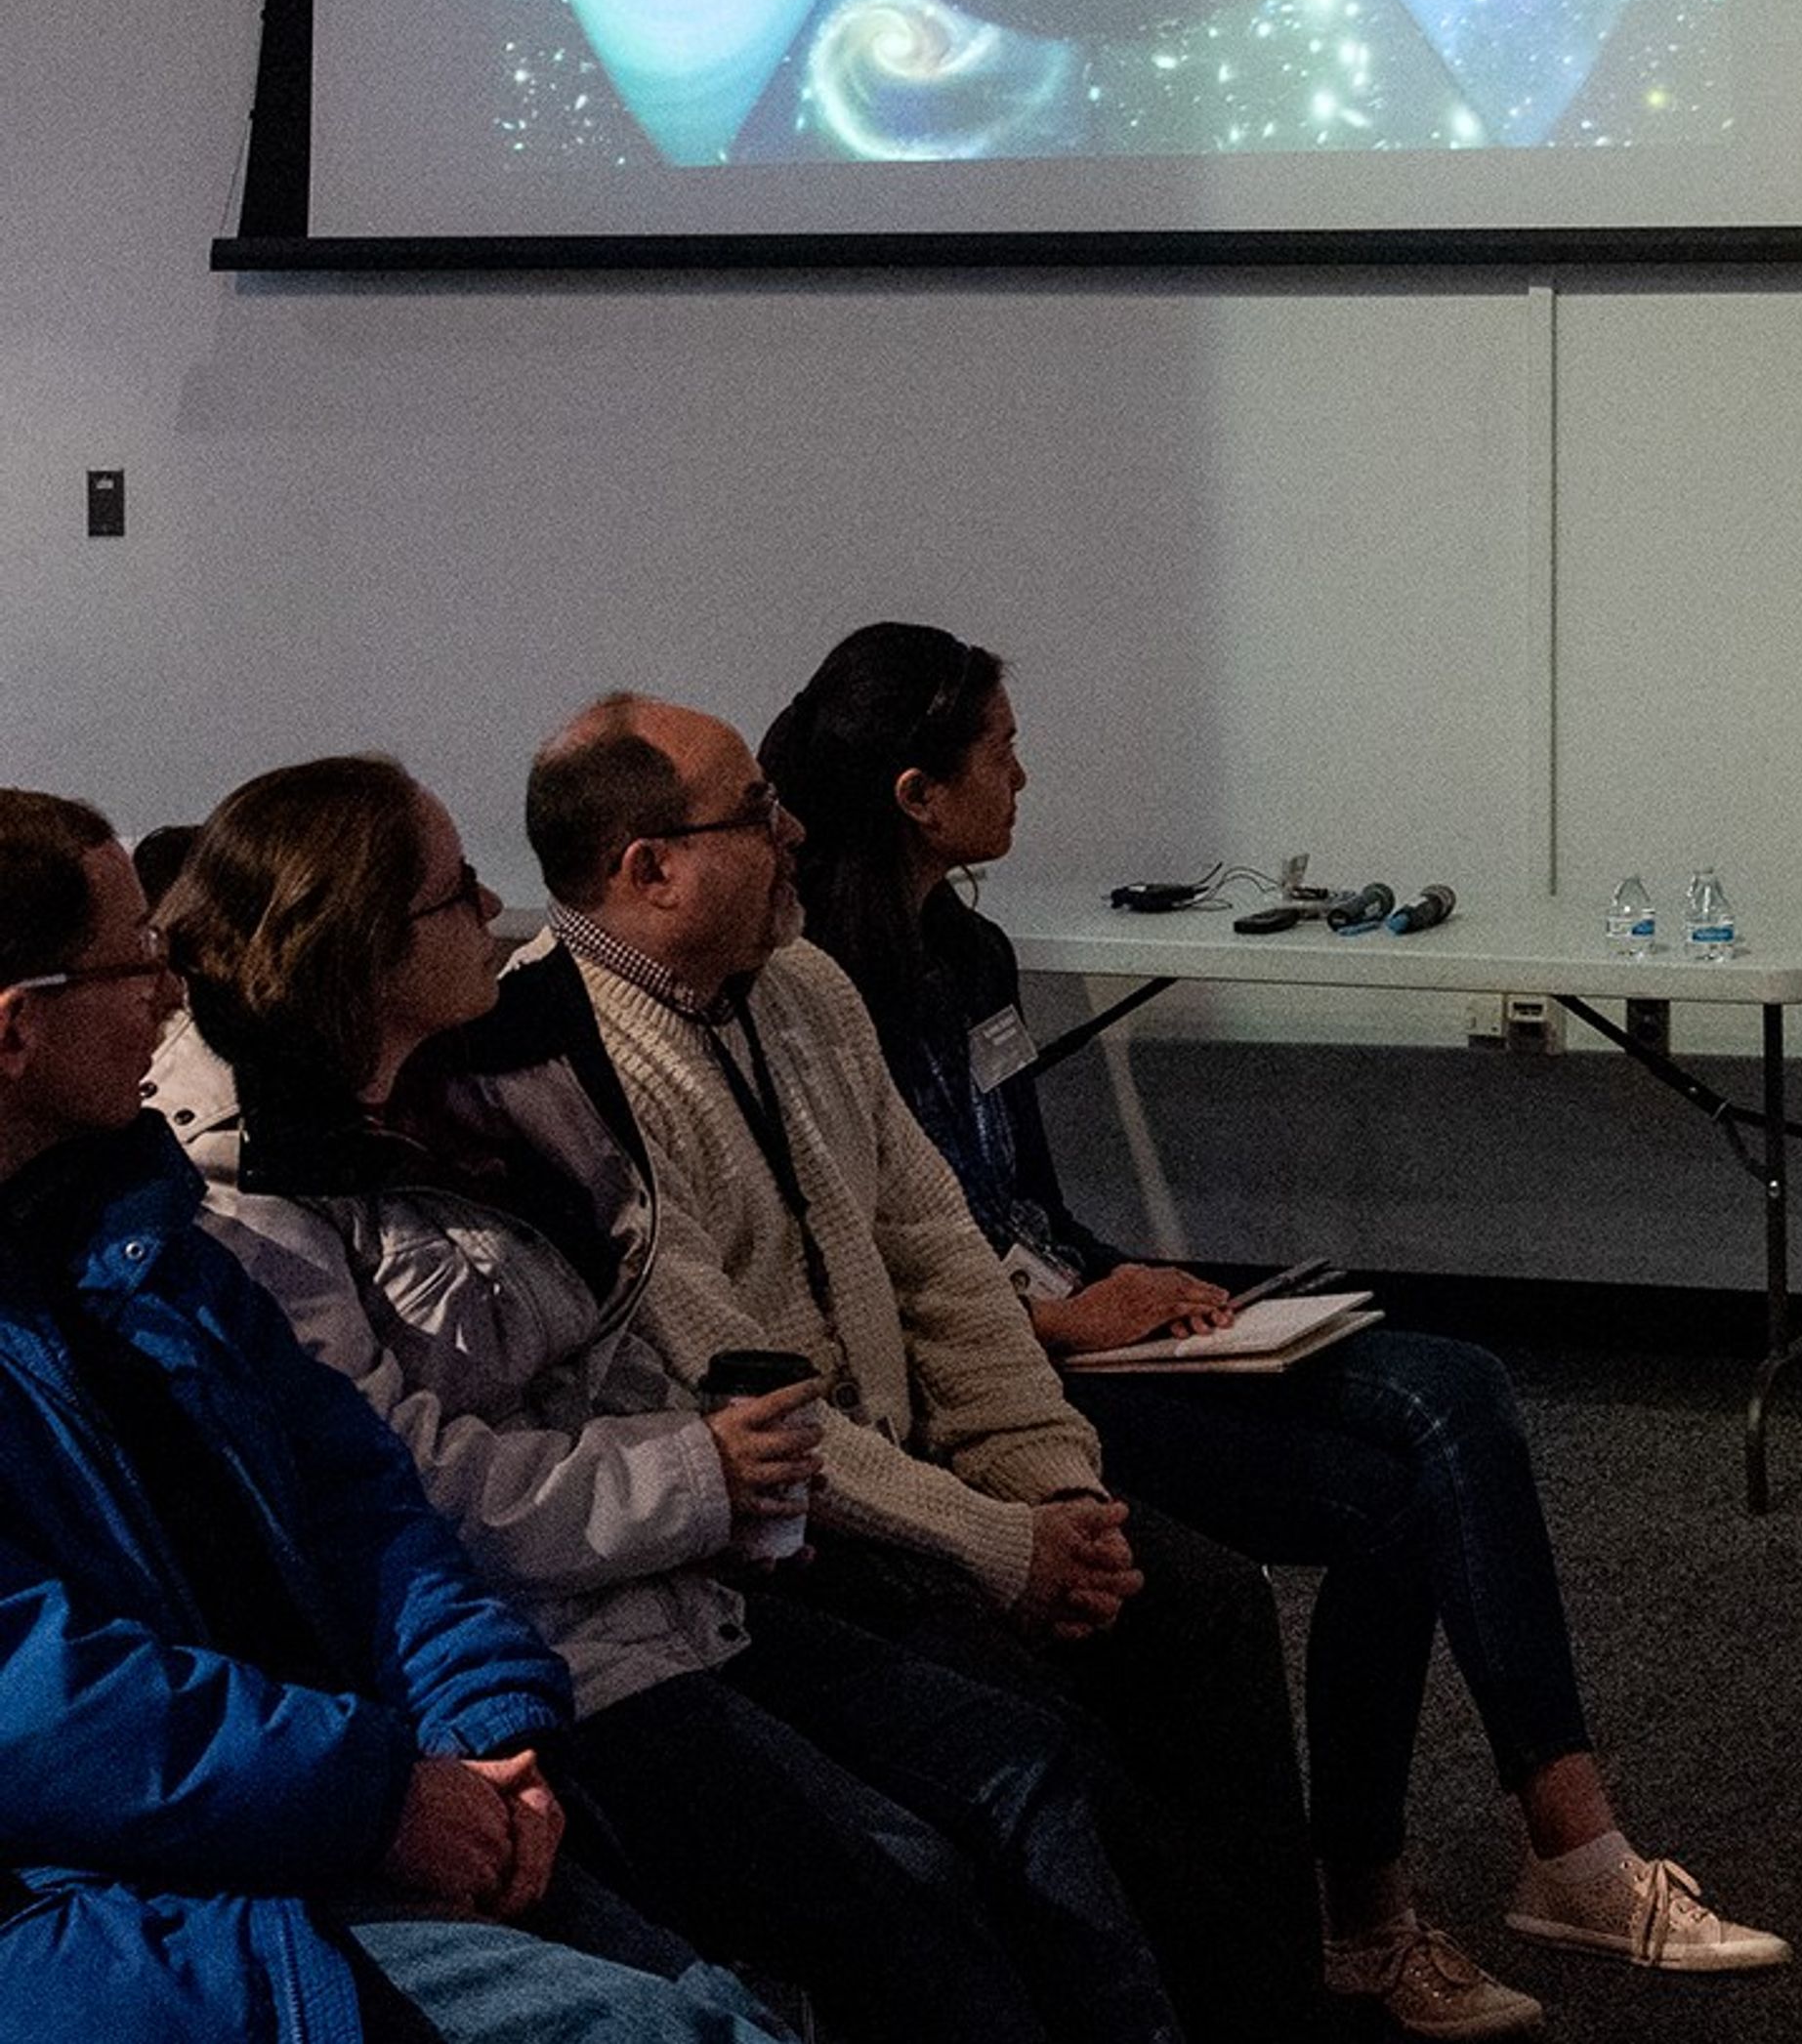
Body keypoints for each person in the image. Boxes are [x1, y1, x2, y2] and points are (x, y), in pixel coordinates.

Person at [757, 624, 1792, 2034]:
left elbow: (1025, 1199)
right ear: (916, 795)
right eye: (999, 749)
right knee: (1398, 1489)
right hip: (1000, 1380)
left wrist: (1153, 1286)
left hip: (1077, 1317)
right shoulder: (812, 991)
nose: (1027, 772)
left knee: (1459, 1386)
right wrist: (1067, 1320)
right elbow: (895, 1261)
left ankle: (1535, 1860)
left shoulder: (972, 952)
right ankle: (1440, 1892)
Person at [150, 753, 1182, 2044]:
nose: (494, 910)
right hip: (539, 1651)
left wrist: (976, 1473)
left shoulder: (485, 1072)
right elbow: (403, 1488)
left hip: (677, 1577)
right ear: (364, 945)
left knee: (1034, 1764)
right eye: (455, 892)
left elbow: (639, 1315)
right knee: (902, 1887)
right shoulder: (239, 1193)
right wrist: (699, 1475)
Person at [521, 690, 1324, 2044]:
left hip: (941, 1478)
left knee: (1205, 1607)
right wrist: (997, 1550)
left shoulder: (805, 986)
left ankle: (1290, 1991)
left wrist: (1051, 1488)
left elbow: (941, 1256)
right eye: (754, 815)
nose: (791, 834)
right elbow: (740, 1401)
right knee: (1054, 1771)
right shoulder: (564, 1065)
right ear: (645, 869)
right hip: (785, 1538)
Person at [0, 786, 790, 2044]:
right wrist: (383, 1798)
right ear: (14, 1032)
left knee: (766, 1969)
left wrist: (487, 1723)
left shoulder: (133, 1234)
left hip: (344, 1796)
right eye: (130, 957)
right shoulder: (228, 1191)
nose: (166, 985)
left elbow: (361, 1496)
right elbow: (42, 1705)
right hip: (115, 1909)